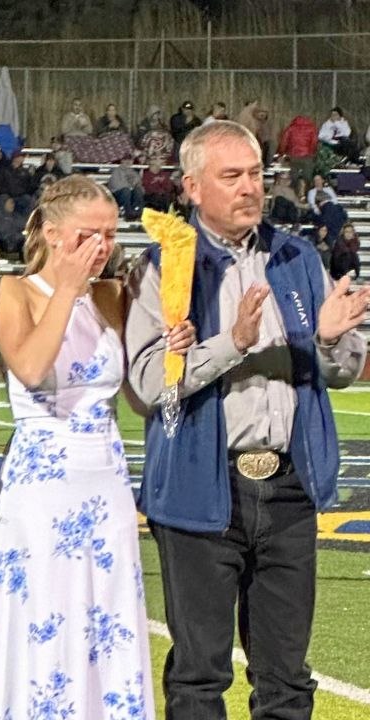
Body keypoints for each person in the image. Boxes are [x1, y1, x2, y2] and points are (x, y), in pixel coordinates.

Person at [126, 120, 369, 720]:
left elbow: (336, 372)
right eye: (230, 176)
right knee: (199, 676)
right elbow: (148, 383)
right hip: (200, 492)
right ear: (191, 187)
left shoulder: (297, 257)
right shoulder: (162, 267)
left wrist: (336, 341)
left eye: (256, 174)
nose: (248, 188)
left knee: (287, 680)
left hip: (289, 489)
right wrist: (230, 343)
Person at [0, 173, 173, 720]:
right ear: (51, 232)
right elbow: (33, 367)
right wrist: (65, 288)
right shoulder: (12, 291)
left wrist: (170, 350)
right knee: (43, 613)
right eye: (89, 234)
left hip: (105, 481)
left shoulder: (113, 295)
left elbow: (139, 399)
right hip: (41, 487)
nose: (103, 247)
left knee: (105, 617)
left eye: (110, 235)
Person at [279, 114, 319, 184]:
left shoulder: (291, 128)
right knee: (308, 177)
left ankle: (295, 192)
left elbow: (284, 141)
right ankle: (307, 193)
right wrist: (311, 152)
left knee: (294, 177)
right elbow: (314, 142)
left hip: (294, 156)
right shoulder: (312, 128)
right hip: (307, 156)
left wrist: (282, 152)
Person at [107, 156, 145, 220]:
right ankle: (127, 212)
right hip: (118, 194)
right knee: (126, 191)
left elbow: (139, 184)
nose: (128, 161)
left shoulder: (134, 172)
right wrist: (130, 186)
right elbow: (116, 186)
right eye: (125, 159)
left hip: (130, 193)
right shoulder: (116, 171)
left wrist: (136, 186)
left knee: (138, 191)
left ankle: (137, 212)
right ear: (122, 161)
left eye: (130, 160)